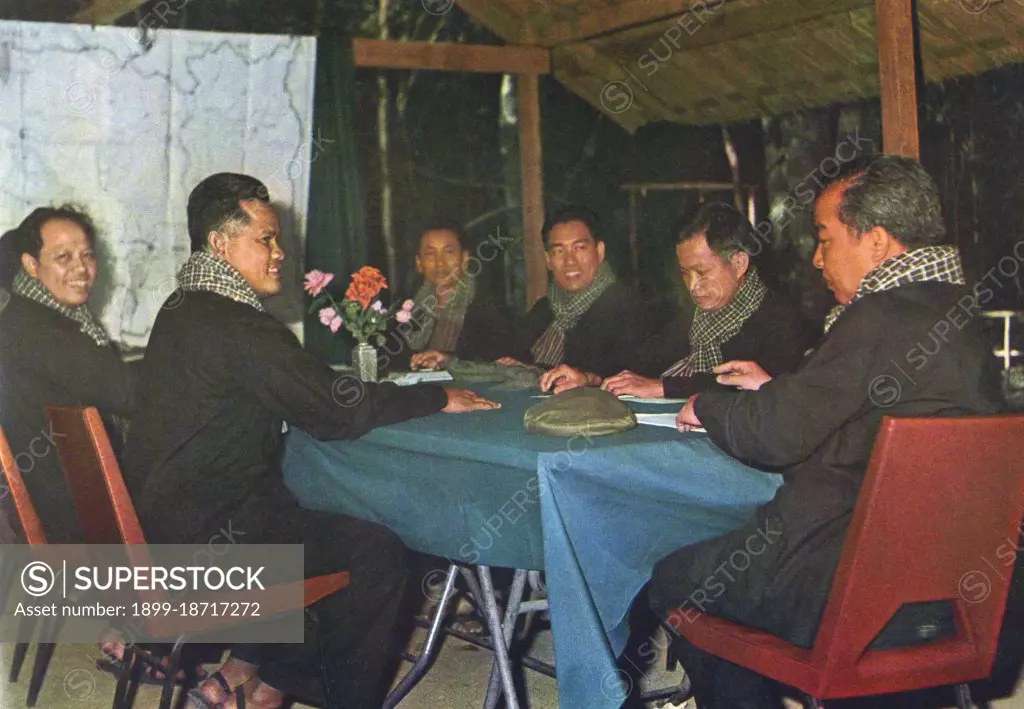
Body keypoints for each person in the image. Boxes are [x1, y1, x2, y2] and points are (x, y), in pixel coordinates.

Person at [123, 173, 498, 709]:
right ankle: (295, 688)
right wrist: (437, 397)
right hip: (202, 551)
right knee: (373, 554)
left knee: (305, 512)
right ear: (220, 244)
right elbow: (336, 410)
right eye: (266, 240)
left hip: (165, 533)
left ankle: (262, 679)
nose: (279, 253)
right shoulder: (239, 326)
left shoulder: (182, 308)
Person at [648, 155, 1003, 708]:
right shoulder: (958, 314)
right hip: (944, 592)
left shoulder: (879, 317)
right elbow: (850, 406)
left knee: (673, 574)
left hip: (844, 587)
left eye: (825, 238)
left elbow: (773, 436)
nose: (817, 259)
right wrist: (779, 388)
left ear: (878, 242)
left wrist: (707, 404)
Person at [541, 203, 812, 396]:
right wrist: (590, 378)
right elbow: (638, 364)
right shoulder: (695, 319)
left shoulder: (781, 320)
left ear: (739, 263)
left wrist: (661, 387)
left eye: (702, 272)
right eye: (685, 274)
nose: (694, 287)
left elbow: (757, 389)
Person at [0, 206, 135, 543]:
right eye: (63, 257)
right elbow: (129, 395)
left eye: (87, 255)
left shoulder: (21, 315)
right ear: (31, 265)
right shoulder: (47, 331)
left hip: (54, 501)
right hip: (79, 517)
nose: (81, 268)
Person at [498, 206, 644, 383]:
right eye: (559, 251)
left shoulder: (628, 309)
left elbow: (627, 378)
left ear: (599, 252)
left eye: (579, 248)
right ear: (548, 261)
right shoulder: (544, 309)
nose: (570, 261)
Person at [392, 219, 513, 371]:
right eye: (430, 254)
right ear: (419, 263)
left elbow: (501, 366)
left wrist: (449, 361)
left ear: (465, 259)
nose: (440, 263)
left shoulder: (490, 309)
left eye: (448, 252)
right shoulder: (405, 308)